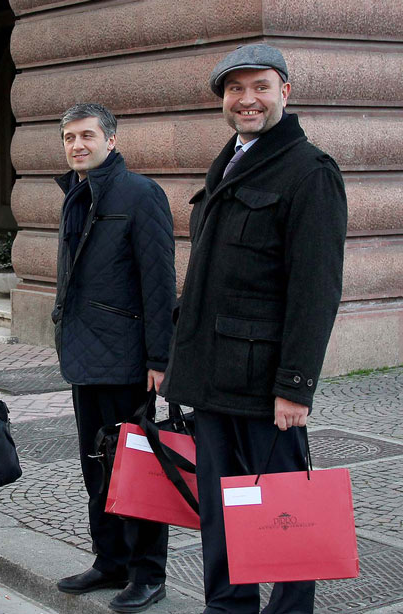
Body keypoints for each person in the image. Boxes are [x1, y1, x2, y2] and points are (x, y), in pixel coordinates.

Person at [161, 44, 348, 614]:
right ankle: (228, 606)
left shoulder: (310, 171)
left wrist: (295, 385)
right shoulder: (233, 159)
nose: (248, 100)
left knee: (284, 505)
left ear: (284, 92)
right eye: (235, 89)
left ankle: (291, 610)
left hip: (267, 384)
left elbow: (315, 290)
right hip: (213, 378)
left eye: (260, 87)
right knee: (221, 504)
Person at [51, 103, 175, 613]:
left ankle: (148, 573)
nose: (77, 145)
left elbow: (158, 280)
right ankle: (109, 561)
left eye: (86, 136)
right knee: (96, 465)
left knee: (139, 468)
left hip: (127, 359)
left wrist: (159, 357)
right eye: (69, 138)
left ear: (111, 140)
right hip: (84, 356)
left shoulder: (141, 194)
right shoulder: (74, 195)